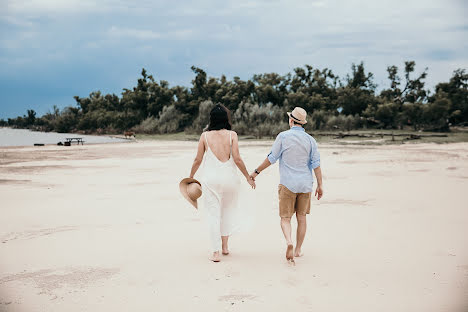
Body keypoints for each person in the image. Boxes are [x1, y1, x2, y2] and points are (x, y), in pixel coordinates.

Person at [250, 107, 323, 264]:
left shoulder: (283, 137)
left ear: (291, 120)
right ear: (302, 123)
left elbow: (272, 158)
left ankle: (289, 241)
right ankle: (297, 250)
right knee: (302, 218)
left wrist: (256, 172)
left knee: (285, 218)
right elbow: (316, 164)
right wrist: (320, 185)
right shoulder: (311, 140)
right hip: (305, 185)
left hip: (288, 184)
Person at [189, 104, 256, 262]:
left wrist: (190, 177)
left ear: (211, 119)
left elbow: (198, 159)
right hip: (230, 179)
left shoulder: (205, 136)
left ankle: (215, 252)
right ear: (226, 119)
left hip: (211, 180)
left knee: (213, 215)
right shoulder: (232, 135)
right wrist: (247, 176)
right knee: (227, 212)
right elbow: (237, 159)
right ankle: (225, 247)